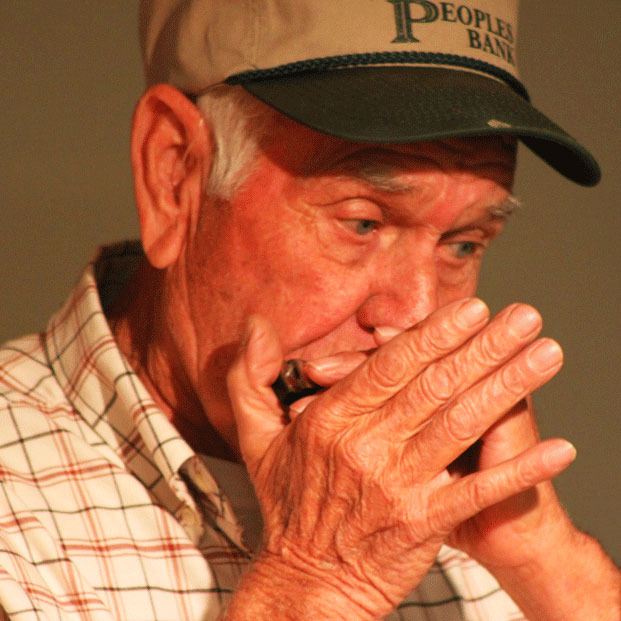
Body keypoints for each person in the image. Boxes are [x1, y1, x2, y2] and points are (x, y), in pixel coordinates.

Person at [0, 0, 618, 619]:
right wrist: (320, 583)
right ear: (174, 173)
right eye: (362, 222)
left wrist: (543, 557)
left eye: (462, 244)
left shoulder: (472, 529)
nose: (415, 316)